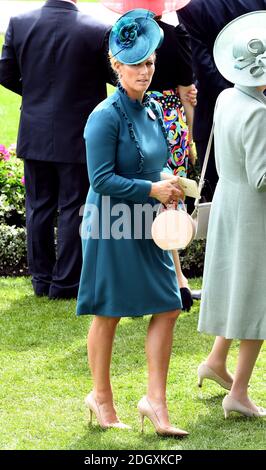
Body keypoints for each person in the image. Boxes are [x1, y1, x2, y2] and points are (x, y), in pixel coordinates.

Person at [77, 9, 189, 436]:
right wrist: (152, 190)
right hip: (110, 225)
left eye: (150, 62)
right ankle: (100, 398)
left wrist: (168, 184)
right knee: (108, 313)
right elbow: (100, 179)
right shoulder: (104, 116)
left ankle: (154, 403)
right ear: (116, 64)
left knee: (169, 304)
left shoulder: (154, 108)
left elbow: (152, 164)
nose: (145, 70)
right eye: (136, 63)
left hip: (148, 224)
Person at [0, 0, 112, 299]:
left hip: (35, 130)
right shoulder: (97, 29)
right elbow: (114, 76)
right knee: (74, 207)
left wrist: (36, 94)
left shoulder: (19, 22)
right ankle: (65, 282)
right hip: (77, 132)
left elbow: (6, 73)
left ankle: (41, 279)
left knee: (38, 208)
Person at [197, 11, 266, 418]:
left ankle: (217, 362)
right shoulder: (258, 113)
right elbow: (262, 177)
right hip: (252, 211)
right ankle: (238, 393)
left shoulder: (228, 96)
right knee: (257, 299)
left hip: (228, 201)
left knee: (240, 288)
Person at [178, 0, 266, 200]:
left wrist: (234, 98)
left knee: (220, 191)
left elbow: (202, 65)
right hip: (257, 98)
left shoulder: (191, 6)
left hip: (216, 112)